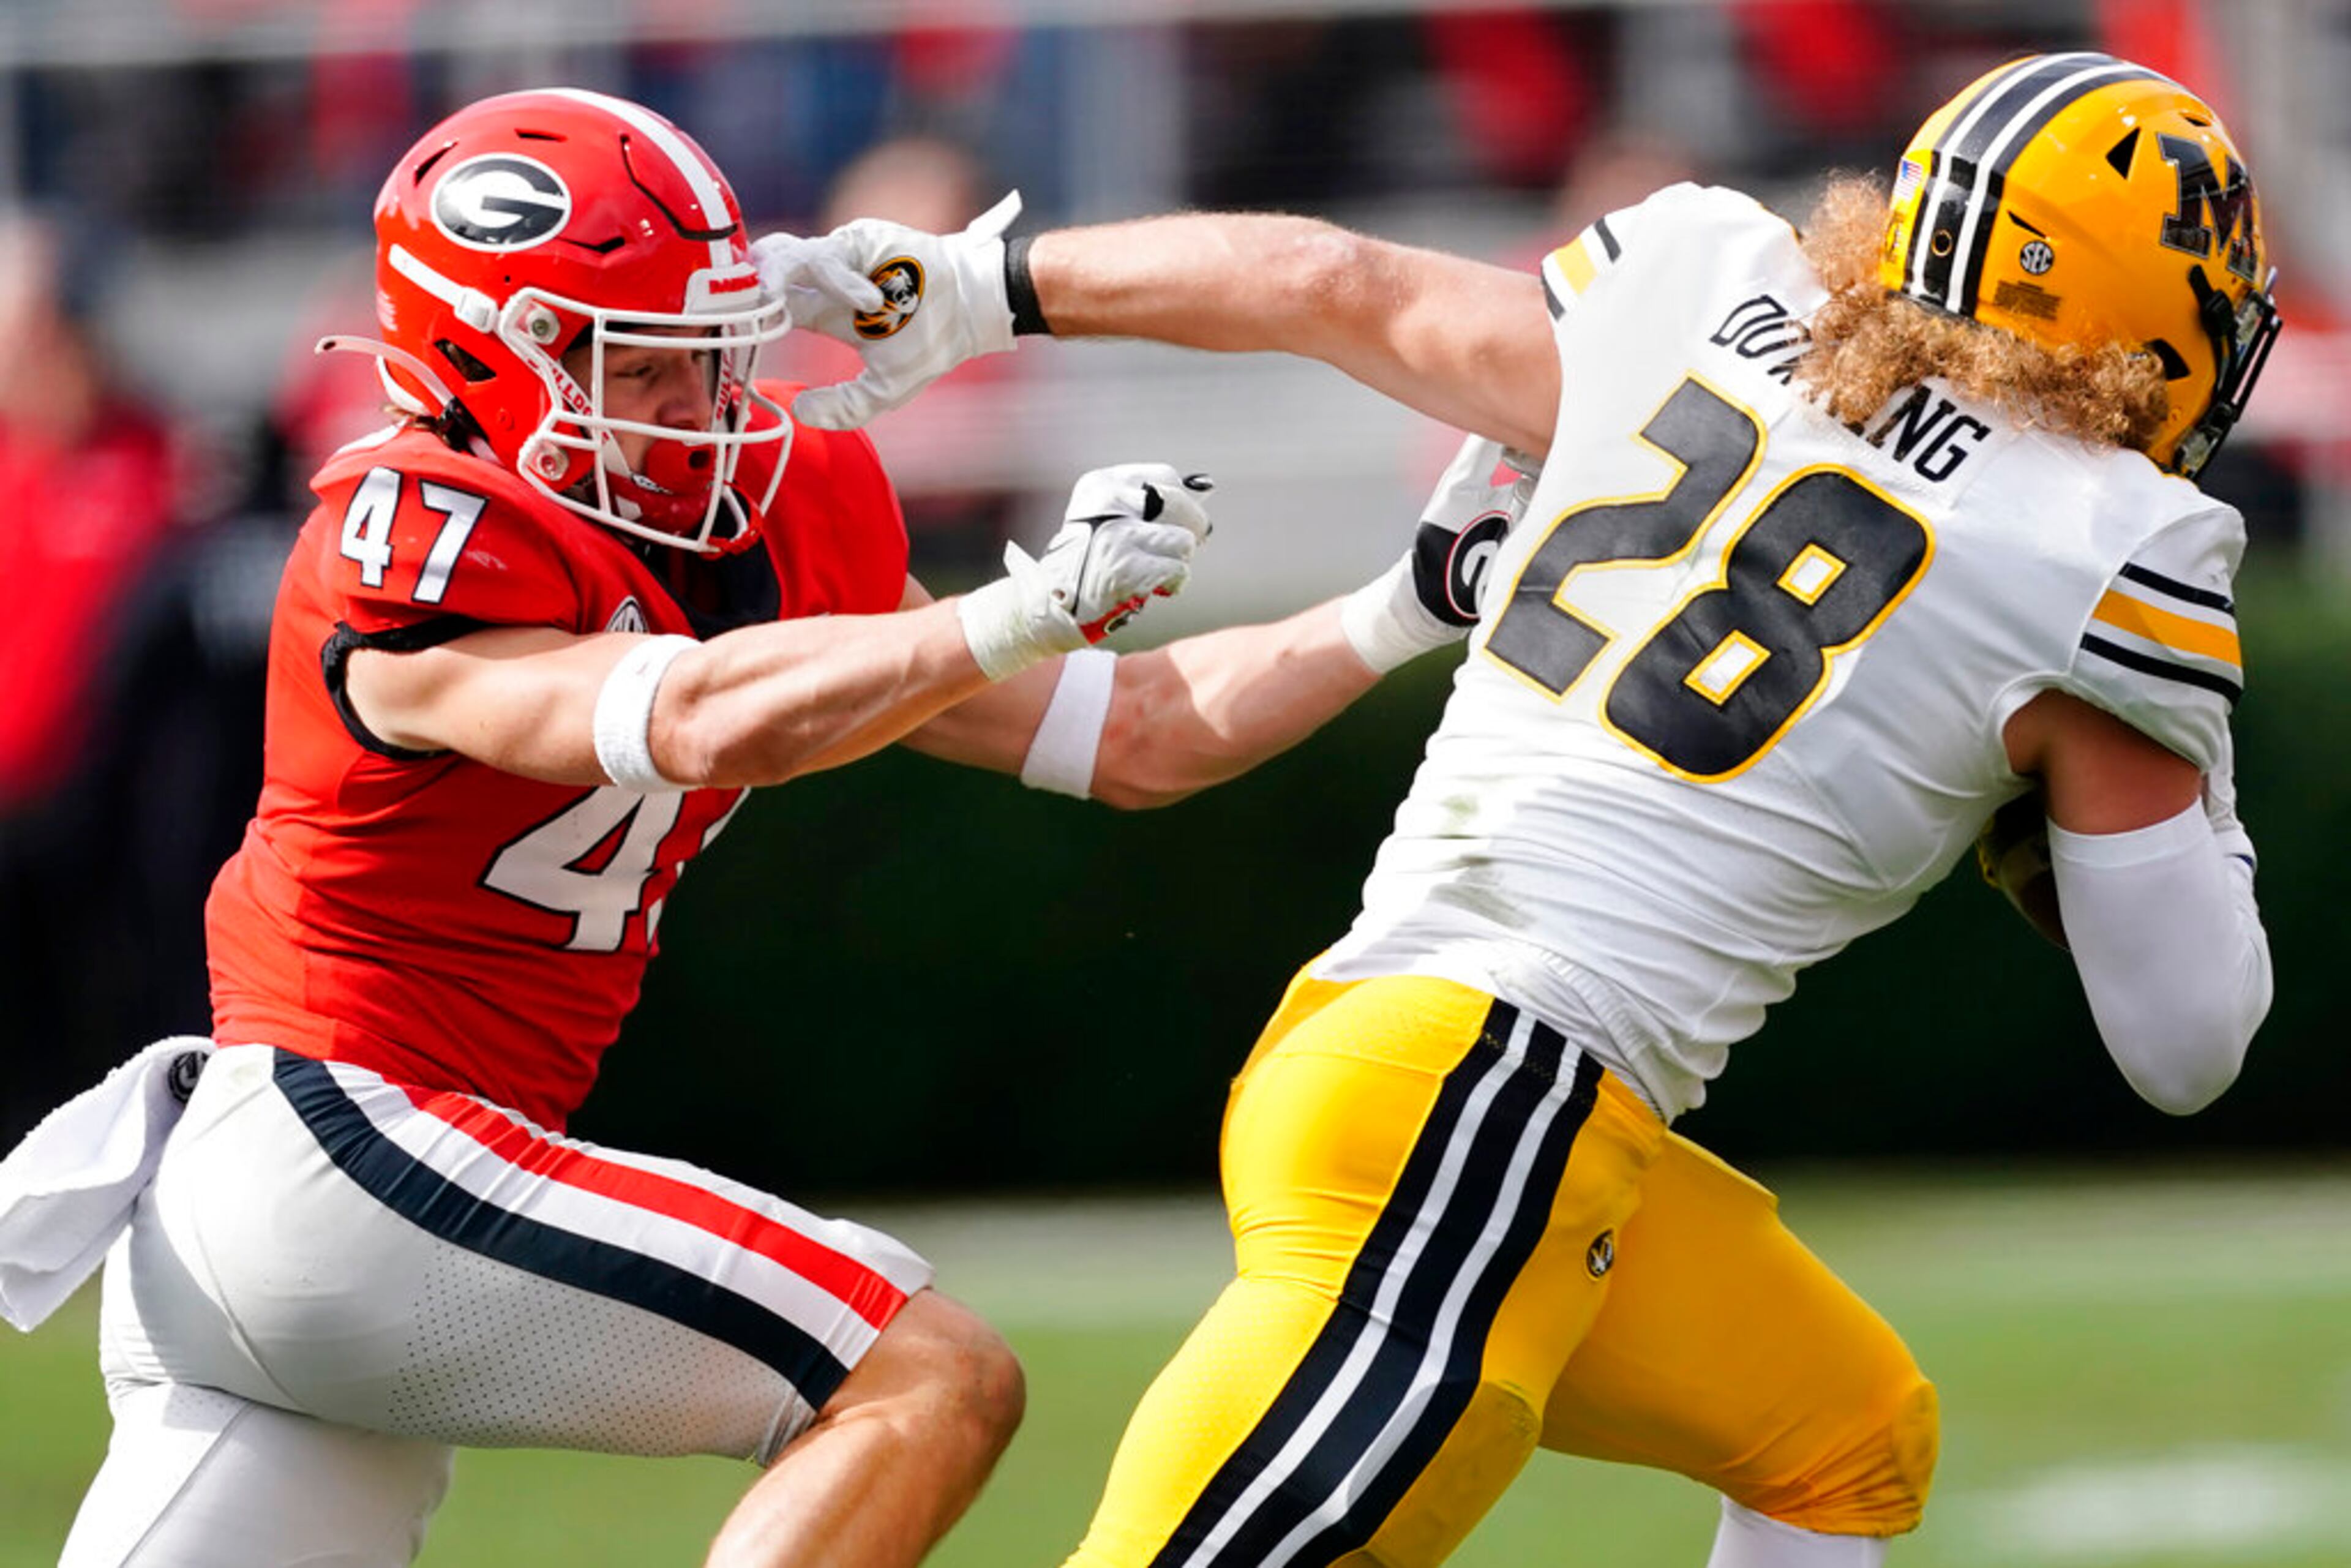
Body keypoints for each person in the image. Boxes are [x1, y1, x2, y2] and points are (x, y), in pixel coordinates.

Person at [762, 50, 2278, 1566]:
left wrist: (975, 281)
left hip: (1397, 1063)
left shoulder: (1706, 279)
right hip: (1498, 1105)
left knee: (1840, 1435)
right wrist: (2135, 798)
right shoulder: (2114, 548)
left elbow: (1323, 278)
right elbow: (2188, 1043)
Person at [0, 88, 1531, 1568]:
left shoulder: (761, 514)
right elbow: (687, 715)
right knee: (926, 1375)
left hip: (335, 1215)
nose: (701, 407)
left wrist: (1404, 603)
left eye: (711, 354)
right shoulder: (410, 532)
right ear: (491, 360)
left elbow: (1131, 737)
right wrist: (1009, 611)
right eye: (638, 365)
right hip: (348, 1153)